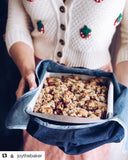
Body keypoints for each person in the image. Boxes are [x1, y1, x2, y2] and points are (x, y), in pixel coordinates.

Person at [5, 0, 128, 159]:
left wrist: (123, 92)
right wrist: (27, 71)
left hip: (98, 92)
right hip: (38, 85)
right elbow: (18, 26)